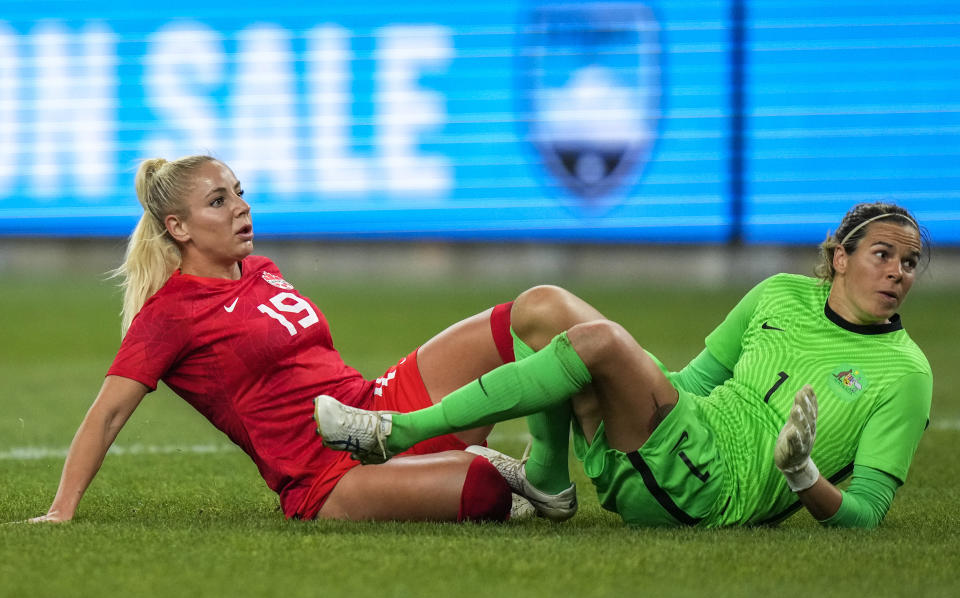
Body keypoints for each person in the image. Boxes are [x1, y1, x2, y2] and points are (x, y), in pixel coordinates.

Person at [316, 202, 933, 529]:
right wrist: (627, 376)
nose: (897, 273)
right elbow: (692, 384)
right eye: (883, 255)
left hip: (710, 493)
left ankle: (397, 431)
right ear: (840, 256)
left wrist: (802, 475)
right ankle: (551, 483)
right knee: (544, 307)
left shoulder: (907, 375)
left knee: (600, 343)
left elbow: (865, 516)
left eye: (910, 264)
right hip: (683, 435)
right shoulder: (779, 293)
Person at [30, 154, 530, 524]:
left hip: (373, 407)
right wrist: (61, 511)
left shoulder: (262, 269)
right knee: (485, 493)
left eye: (239, 192)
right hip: (324, 475)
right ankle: (465, 463)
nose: (241, 207)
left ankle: (455, 456)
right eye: (218, 201)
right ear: (177, 227)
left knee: (524, 320)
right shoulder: (168, 315)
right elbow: (108, 414)